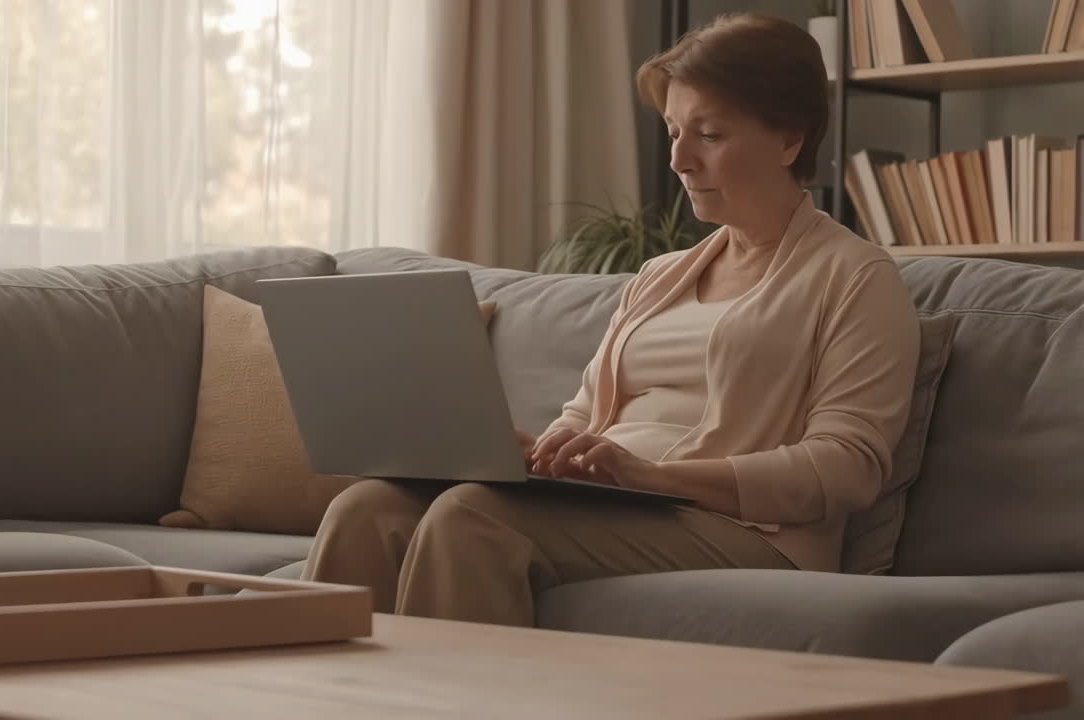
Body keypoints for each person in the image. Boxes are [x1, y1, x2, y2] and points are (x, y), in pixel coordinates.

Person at [301, 12, 920, 627]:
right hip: (616, 504)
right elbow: (583, 414)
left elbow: (847, 468)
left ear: (789, 139)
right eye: (674, 131)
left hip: (748, 531)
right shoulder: (659, 276)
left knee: (473, 519)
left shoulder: (855, 276)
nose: (679, 160)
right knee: (368, 508)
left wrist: (654, 478)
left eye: (708, 135)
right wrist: (538, 454)